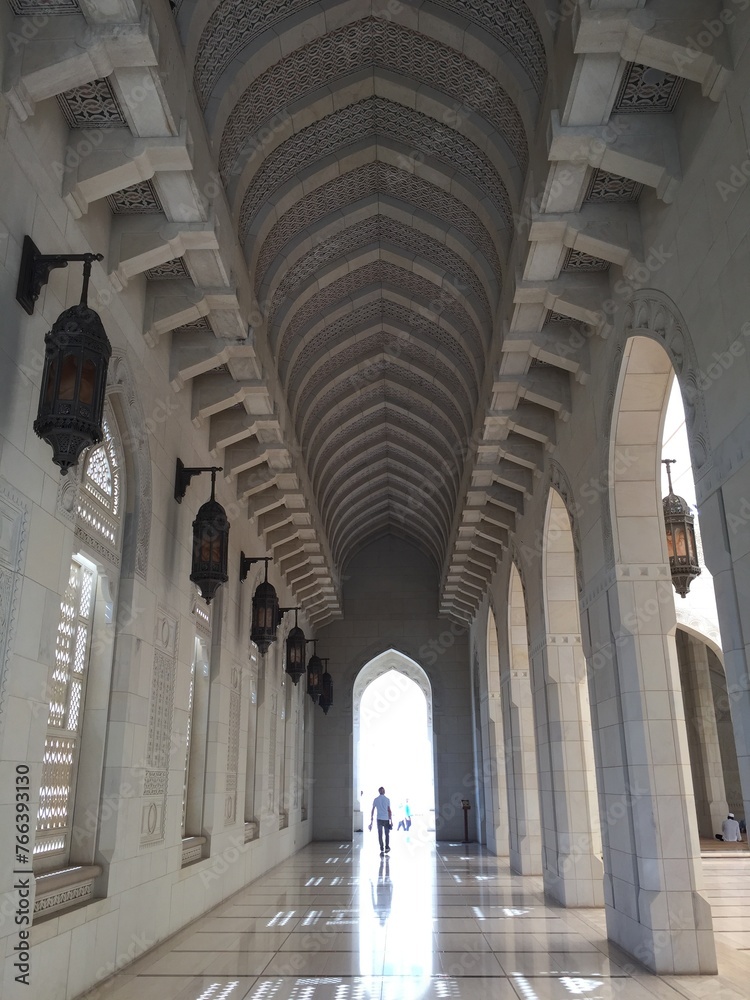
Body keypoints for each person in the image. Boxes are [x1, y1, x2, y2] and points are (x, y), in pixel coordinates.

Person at [369, 786, 392, 854]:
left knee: (380, 834)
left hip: (379, 819)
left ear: (379, 792)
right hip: (386, 819)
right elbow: (389, 810)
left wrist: (371, 818)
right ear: (384, 791)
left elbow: (373, 809)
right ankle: (387, 847)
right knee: (387, 834)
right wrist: (391, 820)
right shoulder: (387, 799)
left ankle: (381, 847)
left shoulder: (376, 799)